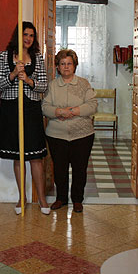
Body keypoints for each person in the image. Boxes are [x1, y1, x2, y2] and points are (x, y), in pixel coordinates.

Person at [0, 22, 50, 214]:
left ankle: (42, 200)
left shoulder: (37, 57)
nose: (28, 39)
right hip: (11, 109)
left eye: (32, 36)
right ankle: (22, 199)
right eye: (25, 35)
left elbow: (44, 86)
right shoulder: (5, 56)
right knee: (18, 156)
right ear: (18, 36)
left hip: (31, 109)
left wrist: (27, 80)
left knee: (35, 157)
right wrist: (12, 75)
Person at [41, 50, 97, 214]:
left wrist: (72, 111)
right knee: (60, 169)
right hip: (56, 135)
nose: (66, 67)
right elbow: (45, 107)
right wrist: (59, 112)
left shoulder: (84, 84)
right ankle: (61, 198)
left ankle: (77, 200)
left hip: (83, 135)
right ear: (58, 67)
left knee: (80, 169)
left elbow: (92, 105)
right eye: (62, 64)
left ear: (75, 65)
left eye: (69, 63)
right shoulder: (52, 85)